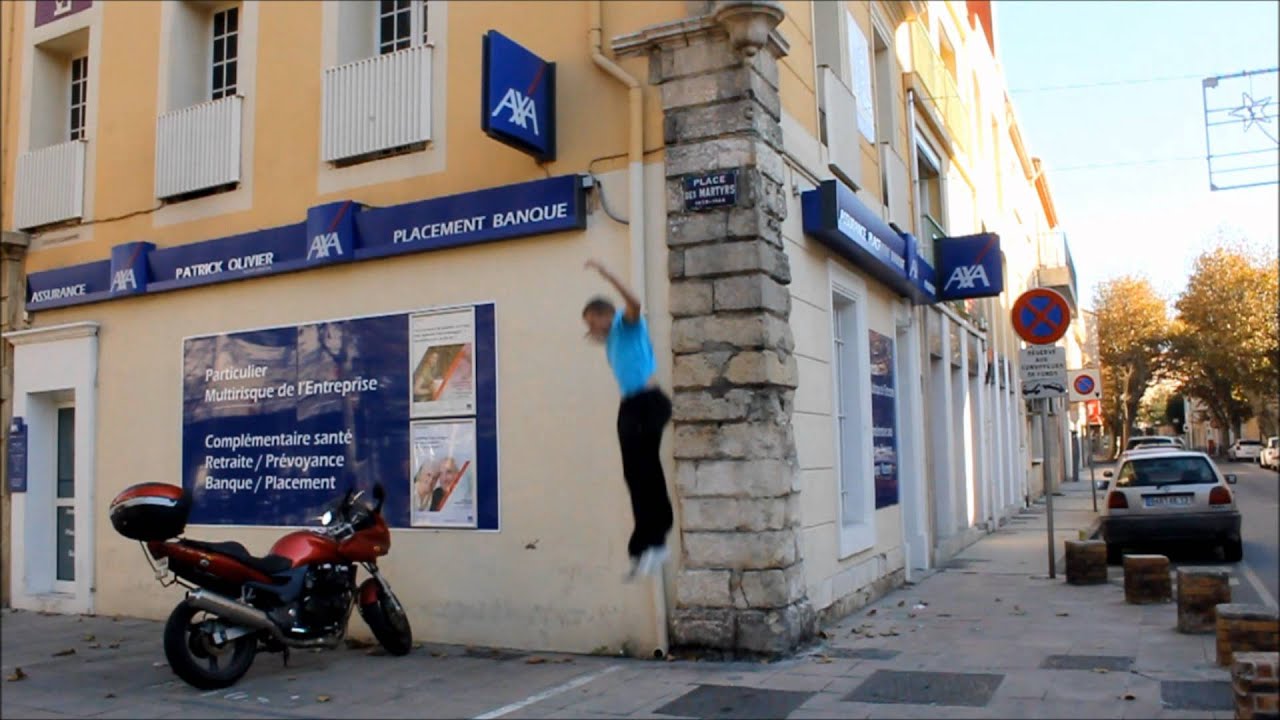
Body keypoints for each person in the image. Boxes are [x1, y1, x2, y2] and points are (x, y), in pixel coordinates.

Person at [582, 259, 673, 580]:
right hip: (631, 408)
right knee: (633, 475)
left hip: (649, 404)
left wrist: (608, 274)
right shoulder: (610, 341)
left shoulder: (626, 323)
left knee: (645, 468)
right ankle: (643, 547)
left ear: (605, 315)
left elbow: (635, 303)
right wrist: (594, 334)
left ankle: (658, 540)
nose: (591, 329)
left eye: (593, 321)